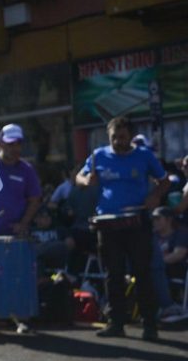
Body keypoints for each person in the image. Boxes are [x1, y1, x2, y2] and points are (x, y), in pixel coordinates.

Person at [76, 116, 169, 340]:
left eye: (122, 137)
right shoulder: (99, 155)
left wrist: (155, 195)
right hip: (107, 223)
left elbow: (164, 181)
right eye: (114, 137)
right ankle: (116, 322)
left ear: (130, 137)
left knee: (142, 272)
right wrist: (86, 181)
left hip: (136, 221)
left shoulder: (144, 156)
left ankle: (149, 324)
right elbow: (79, 177)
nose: (118, 141)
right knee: (113, 274)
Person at [0, 123, 42, 236]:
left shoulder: (27, 170)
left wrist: (23, 224)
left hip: (15, 236)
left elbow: (34, 200)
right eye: (10, 144)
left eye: (18, 143)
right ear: (0, 144)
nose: (15, 148)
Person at [151, 206, 188, 321]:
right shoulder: (152, 235)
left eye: (158, 218)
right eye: (153, 219)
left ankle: (168, 306)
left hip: (176, 267)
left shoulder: (180, 233)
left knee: (155, 269)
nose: (154, 222)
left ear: (169, 220)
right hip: (154, 267)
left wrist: (157, 263)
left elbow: (178, 254)